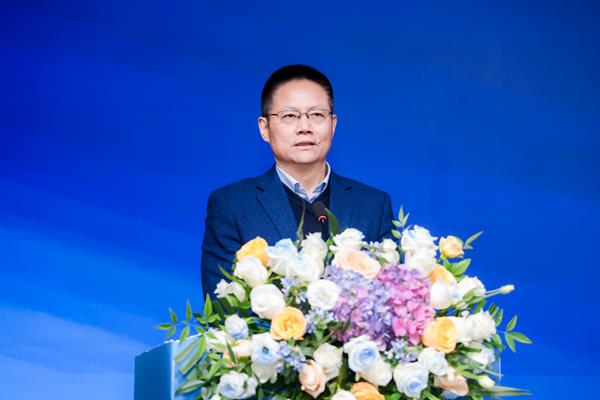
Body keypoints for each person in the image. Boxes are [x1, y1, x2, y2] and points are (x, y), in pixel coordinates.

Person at [201, 64, 393, 297]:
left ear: (333, 125)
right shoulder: (232, 206)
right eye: (290, 116)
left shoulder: (373, 205)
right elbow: (223, 304)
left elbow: (390, 299)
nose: (305, 127)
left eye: (317, 115)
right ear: (265, 128)